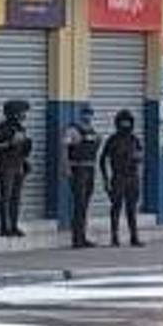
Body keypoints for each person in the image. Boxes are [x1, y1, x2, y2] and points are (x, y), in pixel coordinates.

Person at [100, 109, 144, 248]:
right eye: (123, 122)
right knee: (116, 208)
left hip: (132, 177)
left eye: (128, 122)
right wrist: (106, 180)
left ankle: (134, 237)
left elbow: (141, 156)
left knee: (131, 209)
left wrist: (136, 159)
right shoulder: (112, 139)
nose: (125, 125)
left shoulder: (134, 139)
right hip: (118, 177)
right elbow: (102, 159)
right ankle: (114, 237)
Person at [63, 104, 101, 249]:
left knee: (85, 205)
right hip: (78, 168)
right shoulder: (73, 130)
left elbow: (96, 145)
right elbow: (65, 148)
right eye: (86, 114)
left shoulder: (92, 131)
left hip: (89, 168)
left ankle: (82, 236)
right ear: (80, 115)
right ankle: (76, 239)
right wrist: (66, 167)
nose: (88, 117)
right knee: (79, 204)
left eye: (90, 114)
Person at [0, 99, 32, 238]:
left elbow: (23, 148)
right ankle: (5, 226)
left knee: (16, 197)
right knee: (6, 196)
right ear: (14, 113)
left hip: (18, 165)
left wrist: (25, 154)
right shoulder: (2, 128)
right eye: (22, 112)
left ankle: (14, 225)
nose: (24, 115)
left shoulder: (21, 128)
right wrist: (10, 143)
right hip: (6, 165)